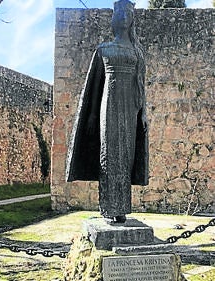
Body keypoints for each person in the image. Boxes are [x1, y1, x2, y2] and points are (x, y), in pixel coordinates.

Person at [66, 0, 149, 223]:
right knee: (109, 156)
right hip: (108, 107)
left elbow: (140, 86)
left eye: (128, 12)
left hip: (129, 110)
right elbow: (94, 87)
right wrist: (92, 115)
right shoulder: (103, 49)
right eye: (120, 12)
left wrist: (142, 114)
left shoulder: (137, 52)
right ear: (114, 17)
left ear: (132, 19)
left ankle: (121, 209)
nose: (124, 16)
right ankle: (108, 208)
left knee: (126, 158)